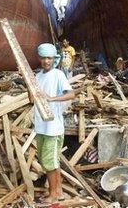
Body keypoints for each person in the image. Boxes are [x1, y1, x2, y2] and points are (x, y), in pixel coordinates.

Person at [34, 43, 76, 203]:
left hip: (53, 128)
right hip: (41, 126)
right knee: (50, 161)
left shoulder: (58, 74)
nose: (46, 61)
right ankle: (58, 192)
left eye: (49, 58)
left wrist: (51, 98)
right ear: (39, 58)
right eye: (43, 58)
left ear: (54, 58)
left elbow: (71, 94)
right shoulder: (37, 77)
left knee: (49, 162)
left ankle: (53, 195)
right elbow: (34, 98)